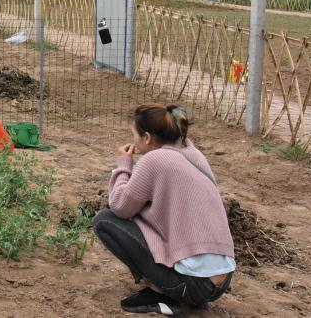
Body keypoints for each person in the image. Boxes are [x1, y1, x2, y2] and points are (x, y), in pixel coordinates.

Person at [92, 104, 235, 315]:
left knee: (104, 220)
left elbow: (120, 206)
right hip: (221, 281)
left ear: (147, 138)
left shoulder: (154, 160)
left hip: (192, 284)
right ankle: (179, 292)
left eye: (135, 135)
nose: (134, 140)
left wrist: (124, 164)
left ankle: (166, 295)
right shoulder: (192, 152)